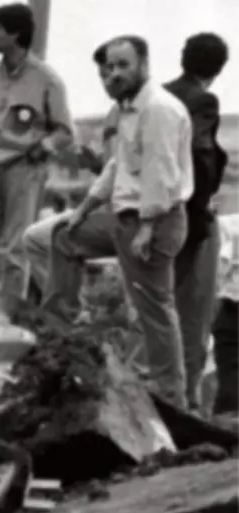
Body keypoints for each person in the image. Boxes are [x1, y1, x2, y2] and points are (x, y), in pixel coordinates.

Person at [66, 36, 194, 407]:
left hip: (153, 220)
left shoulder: (157, 109)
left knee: (155, 311)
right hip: (126, 219)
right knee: (55, 238)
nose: (114, 74)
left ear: (144, 64)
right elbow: (117, 166)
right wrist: (84, 209)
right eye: (108, 68)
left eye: (123, 65)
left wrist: (148, 227)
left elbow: (160, 173)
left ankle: (171, 398)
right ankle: (66, 329)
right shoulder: (129, 111)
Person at [0, 3, 74, 299]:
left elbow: (64, 132)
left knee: (16, 251)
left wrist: (43, 147)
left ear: (15, 35)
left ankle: (10, 314)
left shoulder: (46, 80)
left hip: (23, 171)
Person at [22, 40, 121, 318]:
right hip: (111, 209)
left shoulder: (141, 113)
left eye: (117, 70)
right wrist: (96, 164)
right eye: (104, 74)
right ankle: (73, 311)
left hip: (132, 216)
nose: (109, 80)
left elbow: (125, 174)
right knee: (36, 238)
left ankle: (71, 314)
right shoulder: (116, 114)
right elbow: (117, 170)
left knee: (48, 238)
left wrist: (85, 207)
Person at [163, 33, 229, 410]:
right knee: (193, 316)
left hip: (148, 216)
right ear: (219, 68)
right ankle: (185, 402)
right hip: (188, 221)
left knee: (156, 310)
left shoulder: (158, 95)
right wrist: (202, 204)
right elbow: (201, 155)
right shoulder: (202, 100)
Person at [213, 218, 238, 417]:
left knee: (231, 368)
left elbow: (221, 267)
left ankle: (230, 415)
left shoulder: (230, 226)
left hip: (234, 309)